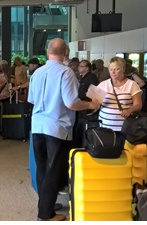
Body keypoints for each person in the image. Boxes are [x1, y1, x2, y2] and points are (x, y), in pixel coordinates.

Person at [29, 39, 100, 221]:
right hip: (57, 127)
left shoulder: (37, 72)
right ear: (65, 54)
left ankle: (46, 204)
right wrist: (90, 103)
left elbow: (32, 100)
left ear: (47, 52)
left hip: (37, 125)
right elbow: (71, 102)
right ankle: (46, 215)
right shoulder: (66, 72)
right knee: (54, 170)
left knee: (42, 168)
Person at [97, 56, 142, 140]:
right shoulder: (103, 85)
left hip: (125, 127)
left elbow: (138, 104)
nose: (113, 72)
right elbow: (94, 103)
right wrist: (96, 103)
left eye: (116, 69)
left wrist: (130, 110)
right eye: (111, 69)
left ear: (123, 69)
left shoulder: (132, 85)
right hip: (105, 126)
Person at [73, 59, 100, 148]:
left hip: (88, 108)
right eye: (79, 66)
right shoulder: (81, 77)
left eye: (81, 66)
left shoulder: (91, 77)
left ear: (87, 68)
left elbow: (96, 92)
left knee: (85, 126)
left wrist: (88, 95)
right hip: (81, 106)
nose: (79, 67)